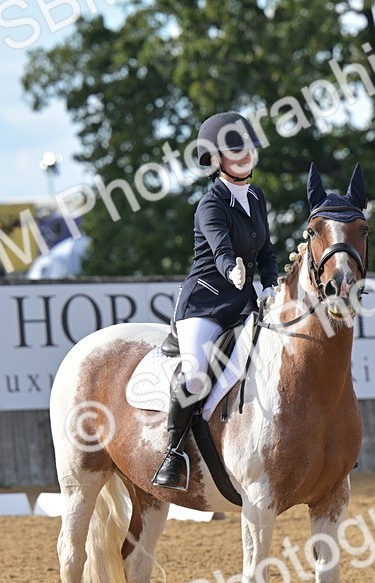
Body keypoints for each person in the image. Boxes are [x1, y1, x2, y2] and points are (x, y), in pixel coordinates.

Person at [152, 111, 279, 490]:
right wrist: (232, 270)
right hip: (205, 304)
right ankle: (172, 454)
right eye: (235, 151)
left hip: (243, 304)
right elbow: (221, 248)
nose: (245, 156)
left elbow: (267, 252)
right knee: (195, 375)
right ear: (215, 159)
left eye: (248, 149)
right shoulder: (210, 205)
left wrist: (269, 284)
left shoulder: (256, 198)